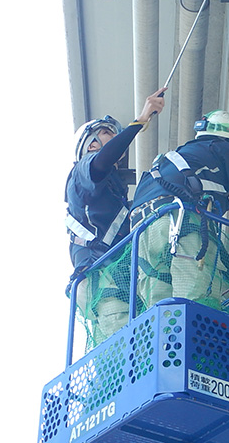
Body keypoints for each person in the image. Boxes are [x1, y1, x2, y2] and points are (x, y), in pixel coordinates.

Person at [129, 109, 229, 310]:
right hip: (181, 219)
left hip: (143, 233)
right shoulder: (226, 150)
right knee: (195, 298)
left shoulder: (172, 160)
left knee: (159, 307)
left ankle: (167, 340)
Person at [65, 88, 165, 338]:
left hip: (117, 279)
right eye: (108, 132)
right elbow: (102, 162)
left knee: (142, 347)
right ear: (91, 144)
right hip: (102, 282)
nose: (115, 138)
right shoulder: (83, 171)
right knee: (124, 355)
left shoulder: (114, 195)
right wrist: (140, 120)